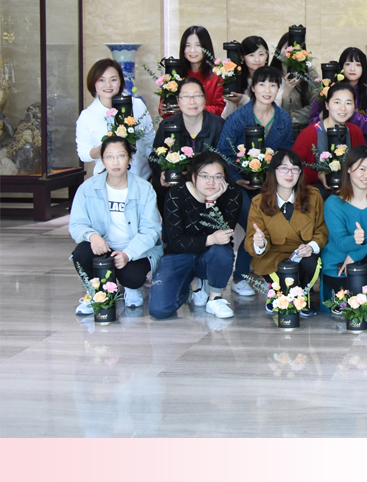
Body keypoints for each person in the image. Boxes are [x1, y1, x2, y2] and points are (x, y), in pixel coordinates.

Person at [219, 66, 294, 296]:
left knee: (273, 224)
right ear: (252, 88)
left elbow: (286, 155)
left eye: (273, 84)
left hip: (269, 186)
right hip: (238, 186)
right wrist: (236, 179)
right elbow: (223, 154)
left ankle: (272, 274)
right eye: (262, 84)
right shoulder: (237, 118)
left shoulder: (283, 119)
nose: (267, 90)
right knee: (257, 224)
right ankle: (240, 277)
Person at [69, 136, 163, 314]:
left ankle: (131, 288)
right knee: (81, 253)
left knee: (133, 278)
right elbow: (76, 224)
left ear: (130, 158)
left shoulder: (144, 188)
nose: (115, 162)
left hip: (134, 249)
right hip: (104, 246)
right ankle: (97, 293)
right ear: (102, 160)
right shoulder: (87, 188)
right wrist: (92, 236)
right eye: (109, 157)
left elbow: (151, 230)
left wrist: (128, 254)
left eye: (121, 155)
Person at [149, 152, 241, 320]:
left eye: (217, 177)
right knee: (159, 310)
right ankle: (194, 284)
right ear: (193, 176)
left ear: (225, 179)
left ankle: (215, 298)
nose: (211, 182)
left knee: (222, 250)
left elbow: (223, 236)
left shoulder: (232, 195)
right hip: (179, 254)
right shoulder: (177, 194)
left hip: (210, 254)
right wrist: (210, 239)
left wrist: (211, 202)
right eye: (205, 176)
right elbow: (176, 241)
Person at [245, 149, 328, 315]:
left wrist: (311, 246)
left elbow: (322, 228)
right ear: (273, 171)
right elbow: (250, 239)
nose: (289, 174)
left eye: (295, 169)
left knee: (310, 261)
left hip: (303, 254)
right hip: (273, 256)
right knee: (280, 272)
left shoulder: (313, 197)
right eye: (283, 168)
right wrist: (259, 243)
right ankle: (279, 295)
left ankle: (299, 298)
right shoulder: (259, 202)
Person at [322, 145, 367, 319]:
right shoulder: (333, 203)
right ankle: (345, 298)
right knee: (350, 304)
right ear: (348, 169)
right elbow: (340, 242)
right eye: (361, 169)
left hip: (366, 263)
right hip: (339, 266)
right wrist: (354, 239)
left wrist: (355, 255)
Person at [149, 77, 225, 212]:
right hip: (175, 189)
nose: (192, 102)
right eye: (185, 97)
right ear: (178, 100)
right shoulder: (167, 125)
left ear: (204, 98)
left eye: (197, 96)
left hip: (209, 188)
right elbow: (155, 157)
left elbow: (224, 159)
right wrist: (162, 173)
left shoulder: (218, 124)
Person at [76, 58, 155, 181]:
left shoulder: (137, 105)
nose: (108, 85)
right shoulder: (87, 116)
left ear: (120, 81)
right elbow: (83, 154)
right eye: (101, 80)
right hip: (106, 181)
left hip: (141, 178)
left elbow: (150, 140)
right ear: (93, 83)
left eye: (113, 79)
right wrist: (104, 148)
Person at [292, 80, 365, 199]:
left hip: (350, 194)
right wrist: (319, 175)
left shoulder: (355, 132)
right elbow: (293, 168)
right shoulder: (309, 133)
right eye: (337, 102)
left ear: (354, 106)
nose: (343, 108)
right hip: (316, 196)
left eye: (348, 103)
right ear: (327, 105)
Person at [163, 25, 224, 117]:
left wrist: (189, 108)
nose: (192, 50)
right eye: (187, 45)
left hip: (209, 125)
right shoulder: (175, 75)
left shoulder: (218, 76)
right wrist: (165, 108)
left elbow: (221, 110)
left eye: (198, 45)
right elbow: (165, 114)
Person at [270, 30, 320, 137]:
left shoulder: (310, 74)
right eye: (286, 47)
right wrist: (286, 92)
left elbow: (316, 104)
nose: (290, 52)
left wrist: (292, 117)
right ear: (279, 50)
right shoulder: (270, 75)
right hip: (275, 129)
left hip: (304, 129)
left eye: (294, 49)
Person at [222, 35, 280, 119]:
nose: (257, 60)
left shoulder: (274, 78)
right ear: (242, 57)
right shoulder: (236, 80)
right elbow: (226, 117)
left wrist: (243, 100)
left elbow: (274, 109)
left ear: (267, 55)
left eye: (261, 54)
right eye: (251, 55)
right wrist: (231, 101)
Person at [338, 47, 367, 144]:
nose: (352, 69)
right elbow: (315, 121)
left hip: (361, 147)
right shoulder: (330, 92)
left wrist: (349, 111)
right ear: (341, 66)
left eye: (358, 65)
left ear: (363, 68)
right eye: (348, 64)